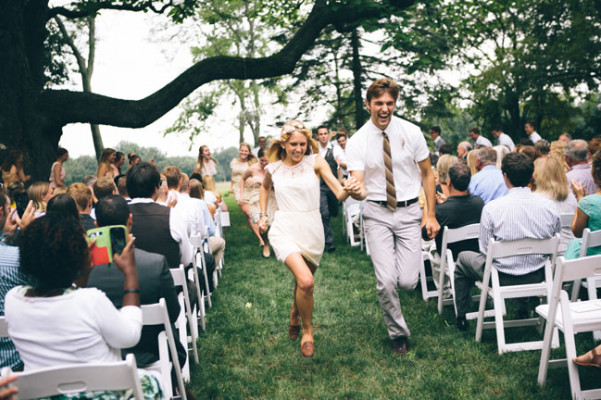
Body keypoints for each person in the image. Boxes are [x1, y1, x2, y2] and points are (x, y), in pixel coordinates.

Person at [4, 215, 163, 398]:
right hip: (102, 392)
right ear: (74, 257)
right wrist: (130, 274)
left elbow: (64, 297)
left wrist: (79, 269)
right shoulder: (91, 300)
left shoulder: (13, 300)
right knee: (155, 382)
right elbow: (129, 337)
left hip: (44, 396)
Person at [345, 78, 439, 355]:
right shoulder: (357, 141)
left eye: (389, 103)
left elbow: (427, 174)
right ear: (368, 105)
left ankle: (396, 299)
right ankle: (398, 334)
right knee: (386, 282)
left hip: (410, 212)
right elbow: (359, 185)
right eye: (379, 104)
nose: (384, 109)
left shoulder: (412, 132)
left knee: (408, 281)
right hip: (376, 213)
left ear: (395, 103)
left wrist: (430, 216)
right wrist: (357, 191)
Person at [258, 120, 359, 357]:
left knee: (302, 281)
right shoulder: (273, 169)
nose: (298, 149)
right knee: (306, 282)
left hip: (312, 230)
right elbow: (264, 188)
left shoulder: (316, 162)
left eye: (303, 144)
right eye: (293, 144)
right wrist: (263, 215)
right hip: (284, 228)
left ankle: (295, 311)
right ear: (283, 144)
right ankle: (308, 330)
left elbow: (339, 192)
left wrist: (350, 187)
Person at [454, 153, 560, 331]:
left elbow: (485, 250)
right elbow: (555, 240)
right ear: (531, 176)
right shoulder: (549, 206)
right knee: (524, 259)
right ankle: (522, 309)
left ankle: (462, 316)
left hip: (501, 277)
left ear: (505, 177)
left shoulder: (492, 208)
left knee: (462, 259)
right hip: (538, 275)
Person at [87, 195, 186, 372]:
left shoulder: (84, 273)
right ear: (130, 221)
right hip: (154, 352)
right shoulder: (155, 263)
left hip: (103, 355)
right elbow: (173, 313)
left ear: (96, 226)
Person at [422, 163, 484, 297]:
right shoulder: (479, 203)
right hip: (474, 255)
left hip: (449, 258)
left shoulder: (441, 211)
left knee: (432, 250)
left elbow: (425, 235)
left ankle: (443, 293)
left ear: (449, 182)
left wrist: (429, 206)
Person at [127, 162, 193, 269]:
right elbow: (186, 259)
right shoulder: (172, 214)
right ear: (156, 188)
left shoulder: (118, 215)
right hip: (169, 282)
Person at [0, 189, 34, 372]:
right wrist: (28, 234)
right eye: (9, 209)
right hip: (18, 367)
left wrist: (5, 237)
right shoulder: (18, 259)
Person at [533, 157, 577, 254]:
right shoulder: (571, 197)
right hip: (573, 250)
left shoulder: (535, 199)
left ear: (538, 175)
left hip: (551, 253)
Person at [564, 150, 601, 259]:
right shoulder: (590, 202)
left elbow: (578, 233)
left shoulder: (588, 203)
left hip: (593, 261)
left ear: (595, 172)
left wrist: (580, 198)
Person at [241, 149, 276, 258]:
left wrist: (260, 181)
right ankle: (265, 243)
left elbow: (275, 185)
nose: (264, 163)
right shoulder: (252, 169)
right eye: (262, 161)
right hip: (256, 200)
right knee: (262, 226)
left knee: (274, 225)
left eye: (266, 160)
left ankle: (276, 245)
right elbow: (242, 179)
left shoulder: (274, 168)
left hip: (271, 197)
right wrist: (242, 194)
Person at [315, 125, 340, 253]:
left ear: (328, 135)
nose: (324, 136)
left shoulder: (336, 149)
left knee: (334, 211)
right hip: (321, 187)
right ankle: (329, 242)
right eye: (321, 134)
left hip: (333, 186)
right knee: (324, 213)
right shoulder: (315, 151)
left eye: (325, 133)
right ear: (317, 136)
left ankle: (334, 211)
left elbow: (343, 165)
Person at [231, 143, 261, 245]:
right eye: (242, 150)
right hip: (239, 189)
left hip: (251, 188)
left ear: (249, 152)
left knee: (255, 212)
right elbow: (233, 176)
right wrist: (231, 187)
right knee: (248, 214)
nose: (243, 152)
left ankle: (262, 232)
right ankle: (261, 239)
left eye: (245, 151)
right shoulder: (234, 162)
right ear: (239, 151)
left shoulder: (252, 162)